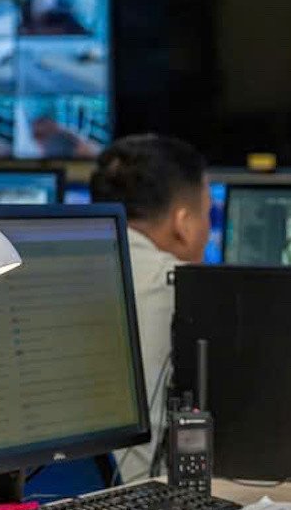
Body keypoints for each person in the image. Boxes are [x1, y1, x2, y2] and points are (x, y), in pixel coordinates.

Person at [90, 134, 211, 483]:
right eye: (206, 213)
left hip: (38, 503)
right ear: (183, 223)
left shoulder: (43, 271)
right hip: (138, 501)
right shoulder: (183, 285)